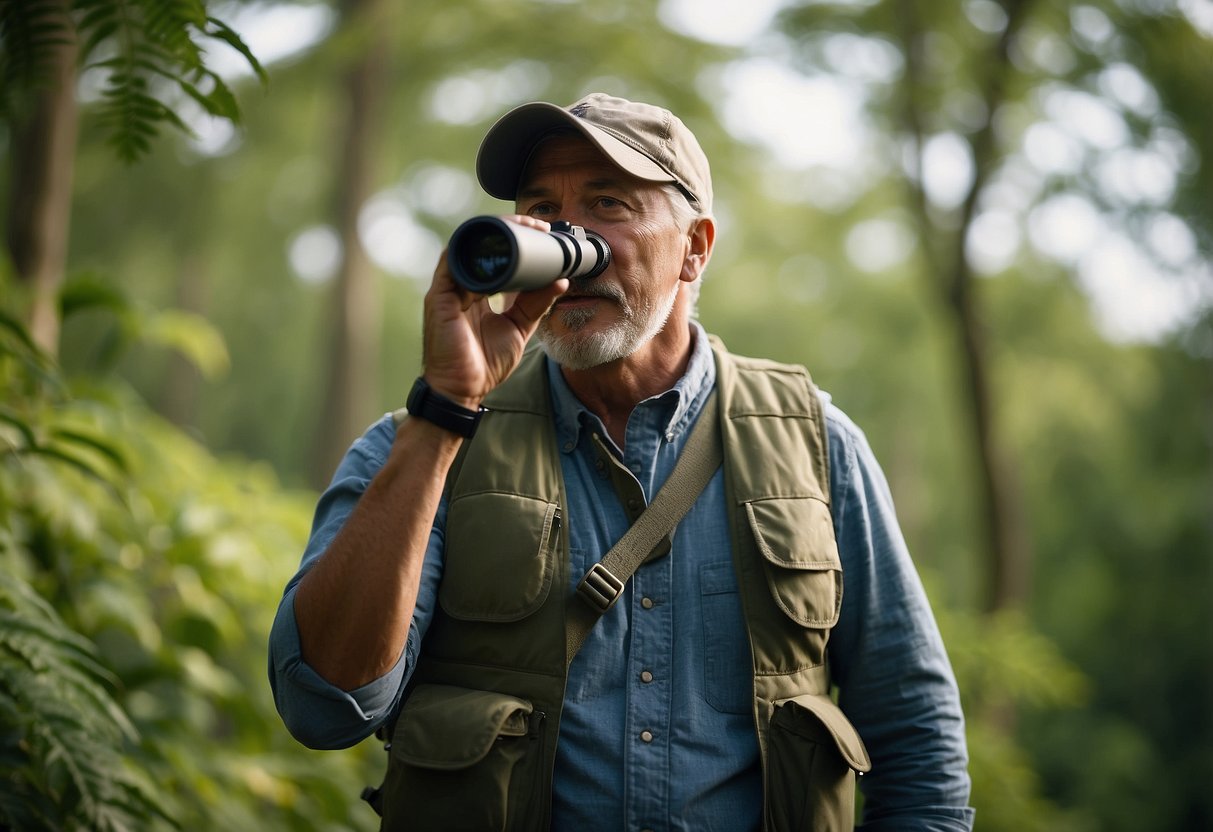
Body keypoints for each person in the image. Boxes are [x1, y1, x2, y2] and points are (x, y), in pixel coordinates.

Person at [269, 92, 975, 831]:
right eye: (542, 209)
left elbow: (916, 744)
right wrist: (445, 411)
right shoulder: (417, 447)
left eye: (608, 204)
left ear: (695, 246)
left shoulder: (816, 445)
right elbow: (326, 709)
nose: (574, 241)